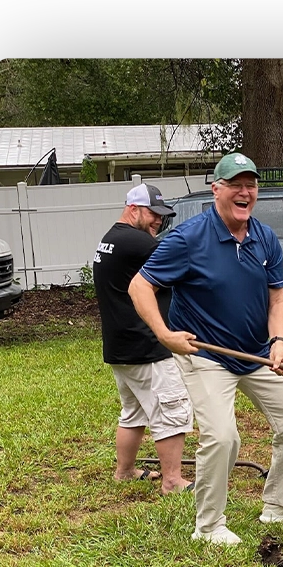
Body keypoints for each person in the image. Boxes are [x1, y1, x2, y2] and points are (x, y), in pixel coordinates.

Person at [128, 153, 283, 545]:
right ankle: (209, 525)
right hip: (206, 355)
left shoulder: (264, 237)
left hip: (256, 352)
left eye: (250, 184)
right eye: (235, 184)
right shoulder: (189, 238)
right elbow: (140, 285)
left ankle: (281, 506)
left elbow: (278, 301)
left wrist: (279, 342)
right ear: (217, 189)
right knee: (223, 437)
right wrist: (165, 334)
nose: (244, 191)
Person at [92, 183, 195, 495]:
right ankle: (173, 481)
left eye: (162, 217)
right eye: (153, 214)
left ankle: (124, 471)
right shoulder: (138, 243)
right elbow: (181, 268)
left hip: (120, 344)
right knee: (171, 410)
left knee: (134, 412)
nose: (158, 222)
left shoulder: (110, 238)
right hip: (147, 345)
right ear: (133, 209)